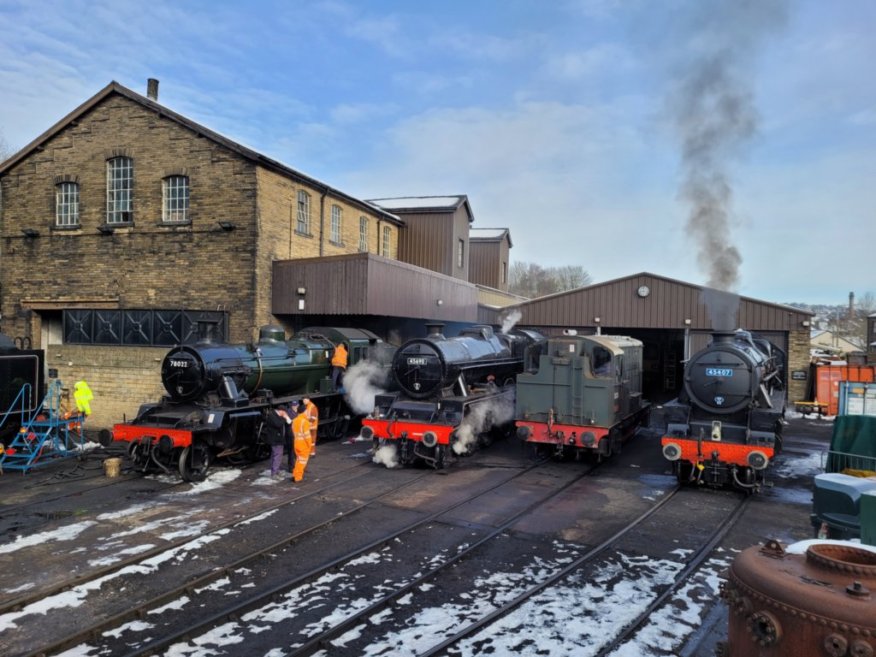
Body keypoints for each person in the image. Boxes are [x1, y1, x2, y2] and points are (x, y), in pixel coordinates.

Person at [263, 405, 292, 479]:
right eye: (285, 412)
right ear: (281, 411)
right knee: (277, 455)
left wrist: (286, 418)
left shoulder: (276, 415)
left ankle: (276, 470)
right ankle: (274, 473)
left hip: (278, 439)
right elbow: (278, 424)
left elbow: (289, 423)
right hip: (276, 439)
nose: (285, 414)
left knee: (275, 455)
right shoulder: (272, 416)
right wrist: (284, 418)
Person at [291, 403, 313, 483]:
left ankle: (294, 474)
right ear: (304, 411)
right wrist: (309, 446)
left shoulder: (295, 420)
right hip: (304, 445)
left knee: (298, 460)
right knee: (302, 462)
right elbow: (307, 436)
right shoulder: (305, 422)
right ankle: (298, 477)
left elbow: (294, 432)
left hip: (296, 443)